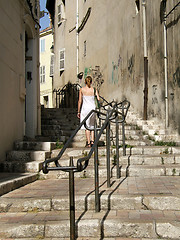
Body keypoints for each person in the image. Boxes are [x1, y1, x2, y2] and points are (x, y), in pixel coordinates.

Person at [77, 76, 100, 147]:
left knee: (86, 126)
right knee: (92, 125)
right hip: (92, 108)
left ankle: (89, 142)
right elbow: (98, 99)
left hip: (85, 109)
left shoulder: (82, 89)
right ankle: (93, 141)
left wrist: (78, 111)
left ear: (85, 82)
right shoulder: (94, 89)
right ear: (91, 81)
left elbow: (80, 101)